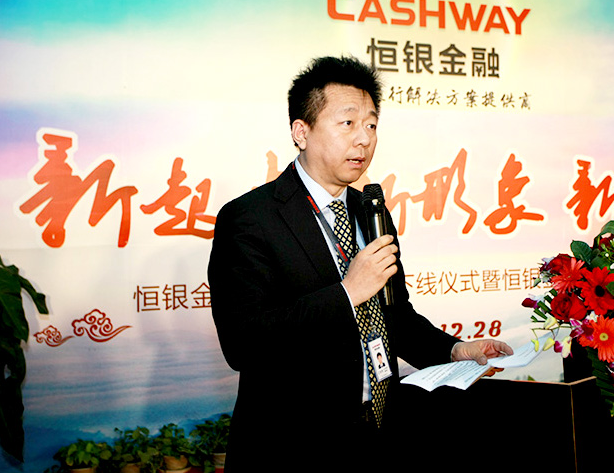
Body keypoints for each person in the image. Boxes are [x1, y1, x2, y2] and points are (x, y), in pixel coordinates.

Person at [209, 56, 512, 471]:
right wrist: (347, 292)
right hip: (293, 446)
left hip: (379, 434)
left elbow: (395, 315)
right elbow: (243, 345)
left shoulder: (371, 211)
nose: (364, 139)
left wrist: (455, 350)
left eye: (371, 125)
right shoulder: (250, 218)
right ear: (301, 132)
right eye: (347, 123)